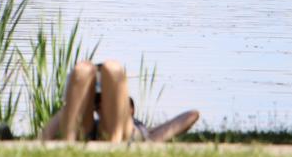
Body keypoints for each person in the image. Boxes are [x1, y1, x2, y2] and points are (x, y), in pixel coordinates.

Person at [41, 60, 199, 143]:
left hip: (122, 136)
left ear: (131, 111)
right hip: (93, 133)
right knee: (83, 70)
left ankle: (113, 143)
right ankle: (69, 143)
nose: (105, 104)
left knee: (112, 68)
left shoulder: (142, 131)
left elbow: (192, 115)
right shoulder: (146, 132)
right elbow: (44, 136)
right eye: (99, 101)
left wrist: (151, 137)